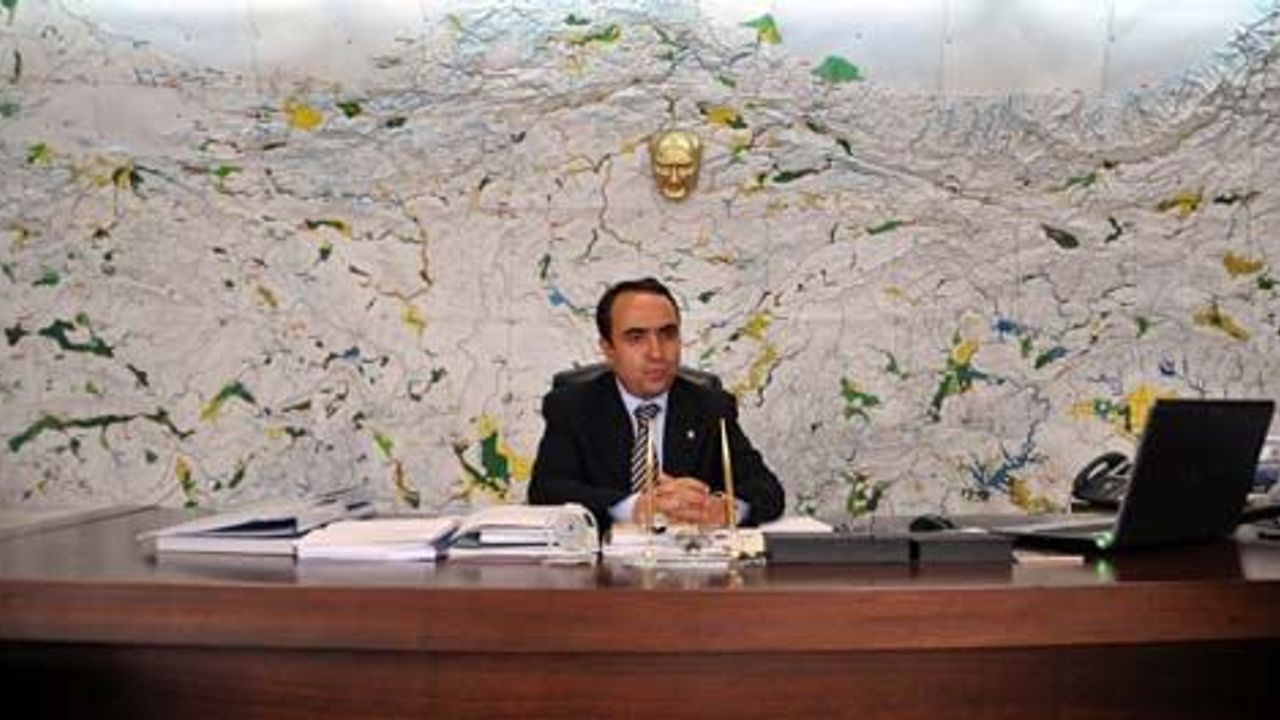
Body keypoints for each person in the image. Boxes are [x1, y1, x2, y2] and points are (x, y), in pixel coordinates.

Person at [529, 277, 785, 529]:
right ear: (608, 349)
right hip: (605, 553)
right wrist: (635, 507)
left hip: (688, 553)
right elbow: (547, 491)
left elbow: (767, 490)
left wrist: (724, 508)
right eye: (636, 337)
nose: (657, 353)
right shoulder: (572, 407)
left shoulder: (711, 407)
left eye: (667, 334)